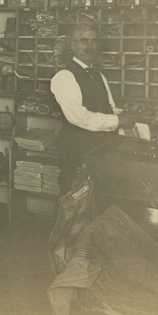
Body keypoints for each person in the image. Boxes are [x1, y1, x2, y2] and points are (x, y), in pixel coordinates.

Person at [49, 26, 139, 195]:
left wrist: (132, 119)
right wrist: (118, 121)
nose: (89, 46)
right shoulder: (65, 76)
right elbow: (78, 117)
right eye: (84, 41)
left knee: (98, 201)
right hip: (76, 151)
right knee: (73, 205)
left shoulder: (98, 75)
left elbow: (110, 107)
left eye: (94, 41)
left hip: (99, 149)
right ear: (73, 45)